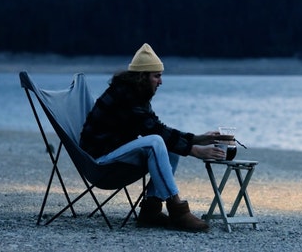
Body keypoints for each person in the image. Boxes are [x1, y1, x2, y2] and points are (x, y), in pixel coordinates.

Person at [79, 43, 226, 232]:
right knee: (157, 141)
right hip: (99, 163)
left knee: (166, 145)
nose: (161, 82)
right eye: (157, 76)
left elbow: (156, 127)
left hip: (113, 153)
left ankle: (151, 210)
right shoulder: (125, 96)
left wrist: (196, 139)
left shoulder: (135, 92)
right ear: (142, 76)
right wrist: (195, 151)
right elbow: (154, 132)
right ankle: (177, 210)